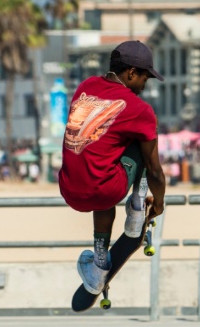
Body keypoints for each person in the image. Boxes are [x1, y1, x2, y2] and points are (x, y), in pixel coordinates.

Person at [58, 40, 167, 294]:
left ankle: (98, 266)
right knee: (143, 139)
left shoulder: (84, 87)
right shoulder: (139, 109)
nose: (144, 86)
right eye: (144, 79)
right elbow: (154, 170)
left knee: (102, 161)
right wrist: (159, 203)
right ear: (131, 73)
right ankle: (137, 211)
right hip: (106, 189)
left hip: (69, 190)